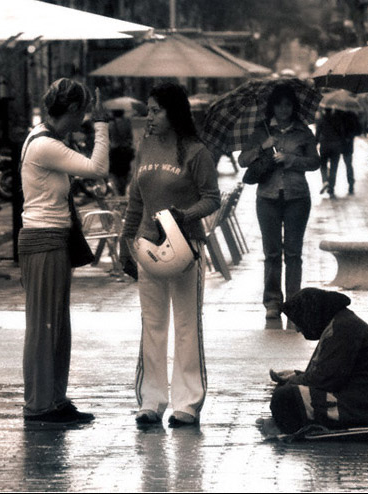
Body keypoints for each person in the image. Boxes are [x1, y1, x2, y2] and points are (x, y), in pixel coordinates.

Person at [119, 82, 220, 428]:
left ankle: (187, 404)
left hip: (186, 250)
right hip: (147, 248)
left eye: (156, 110)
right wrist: (125, 240)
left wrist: (183, 215)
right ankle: (151, 401)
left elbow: (212, 198)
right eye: (148, 110)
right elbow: (136, 199)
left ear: (174, 112)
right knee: (153, 324)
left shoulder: (195, 151)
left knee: (187, 325)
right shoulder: (145, 146)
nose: (149, 117)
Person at [17, 78, 109, 425]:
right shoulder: (43, 145)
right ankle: (39, 403)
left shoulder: (49, 139)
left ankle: (53, 398)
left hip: (52, 239)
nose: (84, 117)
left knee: (56, 326)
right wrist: (101, 127)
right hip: (44, 240)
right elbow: (97, 167)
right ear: (71, 110)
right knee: (44, 326)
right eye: (83, 111)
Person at [239, 83, 320, 320]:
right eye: (279, 105)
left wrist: (291, 159)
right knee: (272, 253)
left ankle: (294, 302)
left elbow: (315, 163)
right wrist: (261, 148)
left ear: (293, 107)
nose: (283, 109)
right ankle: (273, 301)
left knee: (293, 253)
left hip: (297, 197)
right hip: (267, 198)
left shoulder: (303, 132)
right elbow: (243, 160)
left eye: (288, 105)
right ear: (272, 107)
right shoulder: (260, 131)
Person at [268, 288, 368, 435]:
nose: (298, 330)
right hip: (359, 401)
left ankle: (289, 429)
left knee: (284, 397)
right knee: (286, 392)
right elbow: (328, 373)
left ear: (309, 315)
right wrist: (295, 376)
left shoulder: (343, 328)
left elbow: (324, 379)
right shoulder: (339, 323)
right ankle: (285, 424)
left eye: (298, 322)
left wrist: (294, 380)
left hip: (363, 409)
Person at [317, 108, 360, 197]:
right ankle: (339, 186)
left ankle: (329, 184)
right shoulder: (348, 115)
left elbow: (356, 129)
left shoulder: (331, 117)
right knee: (338, 166)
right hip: (341, 144)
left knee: (329, 165)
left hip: (336, 144)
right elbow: (357, 129)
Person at [108, 109, 135, 195]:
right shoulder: (127, 123)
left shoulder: (111, 124)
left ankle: (119, 192)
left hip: (115, 151)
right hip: (125, 151)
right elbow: (130, 137)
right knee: (125, 172)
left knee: (115, 173)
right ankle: (123, 190)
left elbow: (109, 138)